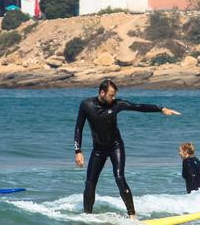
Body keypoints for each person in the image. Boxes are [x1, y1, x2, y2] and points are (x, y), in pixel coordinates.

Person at [74, 79, 181, 219]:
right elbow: (78, 128)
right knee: (89, 183)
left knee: (119, 177)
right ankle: (87, 215)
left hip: (115, 146)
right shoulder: (86, 105)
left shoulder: (117, 104)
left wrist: (161, 109)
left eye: (114, 95)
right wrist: (78, 151)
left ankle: (132, 215)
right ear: (102, 92)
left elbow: (138, 106)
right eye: (111, 95)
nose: (113, 98)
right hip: (98, 149)